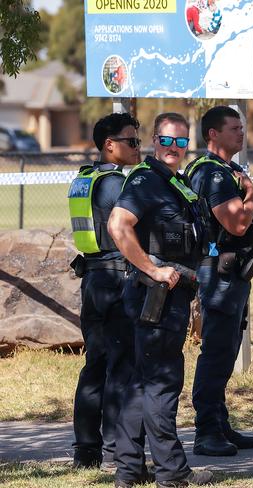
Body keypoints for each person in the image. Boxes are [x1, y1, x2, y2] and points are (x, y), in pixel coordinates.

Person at [108, 113, 214, 487]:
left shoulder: (175, 183)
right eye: (167, 141)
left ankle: (130, 469)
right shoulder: (147, 179)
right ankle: (172, 473)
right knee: (161, 383)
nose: (174, 148)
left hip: (172, 293)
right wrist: (152, 271)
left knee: (141, 382)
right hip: (157, 295)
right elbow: (118, 225)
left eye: (182, 142)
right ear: (155, 141)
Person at [186, 105, 253, 457]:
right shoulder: (214, 174)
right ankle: (206, 430)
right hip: (218, 274)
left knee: (227, 349)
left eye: (241, 127)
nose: (241, 132)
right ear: (213, 134)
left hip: (230, 273)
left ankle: (220, 422)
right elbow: (237, 224)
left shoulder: (226, 170)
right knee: (217, 352)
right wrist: (251, 196)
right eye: (233, 128)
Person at [68, 112, 141, 469]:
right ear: (109, 145)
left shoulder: (85, 178)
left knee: (94, 365)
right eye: (131, 141)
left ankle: (86, 450)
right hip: (114, 279)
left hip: (93, 279)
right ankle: (116, 448)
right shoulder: (114, 183)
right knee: (120, 364)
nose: (137, 147)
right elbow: (125, 230)